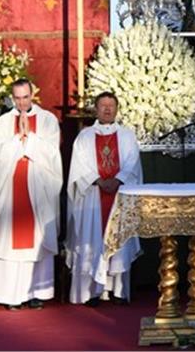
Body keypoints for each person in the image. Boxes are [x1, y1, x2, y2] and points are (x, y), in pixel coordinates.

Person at [0, 78, 62, 310]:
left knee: (37, 239)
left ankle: (36, 292)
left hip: (39, 189)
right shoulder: (2, 122)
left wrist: (31, 139)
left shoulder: (48, 120)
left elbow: (51, 154)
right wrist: (18, 139)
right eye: (17, 98)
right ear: (12, 97)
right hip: (10, 190)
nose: (21, 103)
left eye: (25, 97)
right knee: (10, 238)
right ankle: (11, 295)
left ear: (33, 95)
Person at [66, 91, 143, 306]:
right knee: (92, 240)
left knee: (118, 241)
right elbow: (79, 166)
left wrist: (117, 179)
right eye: (103, 106)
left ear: (117, 109)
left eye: (111, 106)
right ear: (96, 109)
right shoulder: (85, 136)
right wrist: (99, 181)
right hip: (92, 196)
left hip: (120, 195)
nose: (108, 109)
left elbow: (132, 163)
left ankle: (117, 289)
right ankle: (91, 291)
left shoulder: (127, 136)